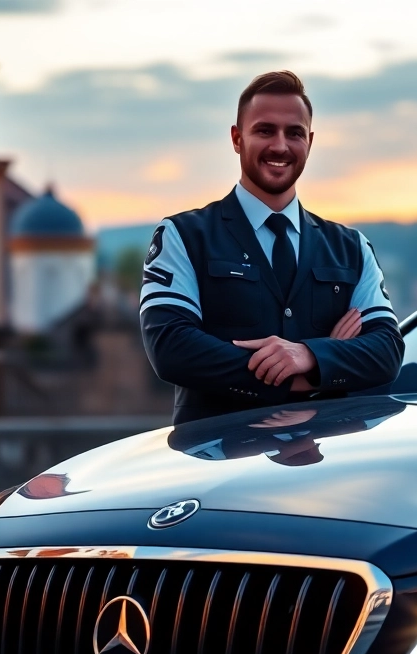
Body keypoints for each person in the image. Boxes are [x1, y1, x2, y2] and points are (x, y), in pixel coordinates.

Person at [140, 71, 403, 424]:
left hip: (324, 465)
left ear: (309, 141)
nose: (280, 145)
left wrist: (309, 355)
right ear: (237, 138)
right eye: (265, 130)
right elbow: (170, 346)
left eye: (294, 133)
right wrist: (314, 370)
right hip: (217, 461)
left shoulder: (351, 247)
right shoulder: (183, 235)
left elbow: (386, 351)